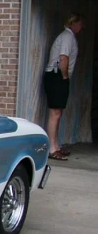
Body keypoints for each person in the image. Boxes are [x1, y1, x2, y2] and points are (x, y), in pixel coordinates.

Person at [43, 13, 85, 160]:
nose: (82, 27)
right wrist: (65, 76)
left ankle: (56, 145)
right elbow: (63, 58)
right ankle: (52, 149)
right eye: (80, 24)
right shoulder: (67, 37)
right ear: (73, 23)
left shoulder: (68, 37)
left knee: (58, 113)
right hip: (56, 76)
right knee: (55, 113)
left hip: (56, 76)